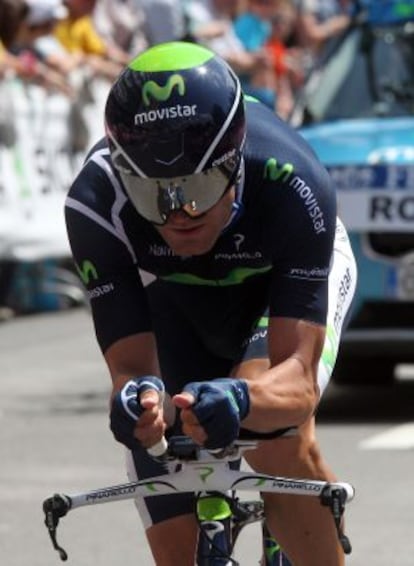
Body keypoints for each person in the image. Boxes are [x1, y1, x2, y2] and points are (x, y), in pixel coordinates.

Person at [64, 41, 357, 565]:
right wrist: (138, 400)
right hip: (175, 292)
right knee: (169, 503)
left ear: (233, 160)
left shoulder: (294, 182)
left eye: (198, 185)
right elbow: (130, 368)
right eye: (155, 194)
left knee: (273, 441)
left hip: (271, 287)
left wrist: (245, 401)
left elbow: (298, 380)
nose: (180, 213)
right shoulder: (95, 201)